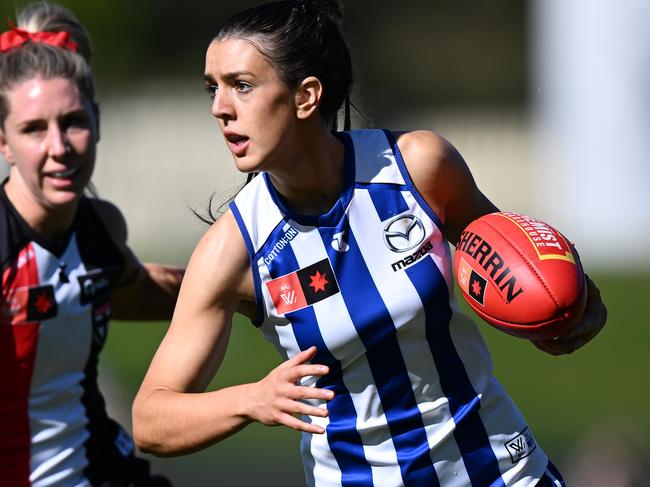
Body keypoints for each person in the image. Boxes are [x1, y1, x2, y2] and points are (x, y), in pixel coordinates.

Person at [132, 1, 607, 486]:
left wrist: (570, 306)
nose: (220, 108)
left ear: (306, 96)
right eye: (213, 89)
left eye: (242, 86)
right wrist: (252, 399)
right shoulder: (232, 249)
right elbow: (151, 419)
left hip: (502, 472)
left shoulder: (418, 167)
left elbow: (510, 259)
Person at [0, 2, 184, 486]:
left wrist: (255, 288)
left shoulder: (99, 230)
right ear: (3, 141)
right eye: (34, 129)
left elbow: (140, 290)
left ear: (97, 122)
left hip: (103, 470)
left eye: (73, 122)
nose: (59, 147)